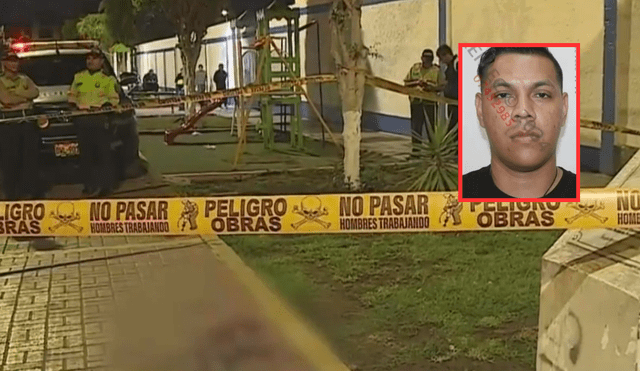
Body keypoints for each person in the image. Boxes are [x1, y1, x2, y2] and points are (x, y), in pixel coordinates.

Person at [462, 47, 576, 199]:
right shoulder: (446, 206)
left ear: (564, 108)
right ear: (480, 109)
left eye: (541, 95)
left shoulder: (598, 204)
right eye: (503, 95)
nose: (523, 111)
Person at [68, 47, 120, 197]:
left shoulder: (107, 80)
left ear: (101, 61)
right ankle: (89, 184)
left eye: (94, 58)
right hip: (83, 119)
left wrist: (106, 106)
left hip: (99, 119)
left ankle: (106, 186)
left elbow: (114, 99)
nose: (90, 61)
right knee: (86, 155)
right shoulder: (78, 77)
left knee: (104, 154)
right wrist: (73, 108)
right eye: (88, 58)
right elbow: (72, 96)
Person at [0, 51, 42, 200]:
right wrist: (23, 97)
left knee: (29, 159)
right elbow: (6, 99)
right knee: (9, 159)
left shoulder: (25, 79)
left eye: (16, 61)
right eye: (10, 61)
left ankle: (29, 191)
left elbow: (35, 92)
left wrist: (16, 96)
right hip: (9, 123)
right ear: (4, 63)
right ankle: (11, 193)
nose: (14, 64)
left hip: (26, 121)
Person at [403, 49, 445, 153]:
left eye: (429, 58)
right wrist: (416, 82)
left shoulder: (436, 71)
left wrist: (431, 87)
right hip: (416, 102)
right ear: (422, 58)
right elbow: (406, 83)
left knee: (430, 129)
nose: (427, 60)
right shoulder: (415, 68)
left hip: (429, 102)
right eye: (425, 57)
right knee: (416, 128)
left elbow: (442, 86)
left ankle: (433, 153)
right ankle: (416, 151)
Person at [437, 44, 459, 131]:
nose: (441, 61)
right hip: (452, 103)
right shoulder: (449, 68)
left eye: (441, 58)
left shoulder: (457, 64)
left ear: (446, 54)